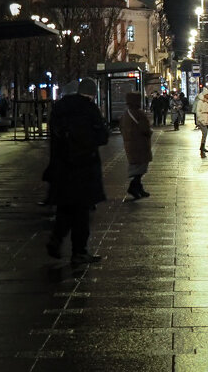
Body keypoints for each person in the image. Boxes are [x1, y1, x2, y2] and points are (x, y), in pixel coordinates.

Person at [45, 78, 109, 266]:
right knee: (81, 211)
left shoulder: (59, 109)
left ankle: (56, 240)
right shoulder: (89, 110)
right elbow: (102, 137)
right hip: (84, 167)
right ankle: (79, 251)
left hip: (63, 167)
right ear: (92, 93)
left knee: (65, 207)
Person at [120, 91, 152, 200]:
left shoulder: (125, 114)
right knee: (141, 167)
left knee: (137, 166)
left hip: (130, 144)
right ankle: (134, 187)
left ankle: (138, 188)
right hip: (140, 144)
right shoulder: (139, 113)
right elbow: (145, 129)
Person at [193, 86, 208, 157]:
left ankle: (202, 146)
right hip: (202, 120)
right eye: (207, 94)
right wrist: (201, 120)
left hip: (207, 119)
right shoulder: (200, 102)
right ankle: (202, 147)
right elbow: (198, 112)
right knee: (205, 133)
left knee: (205, 134)